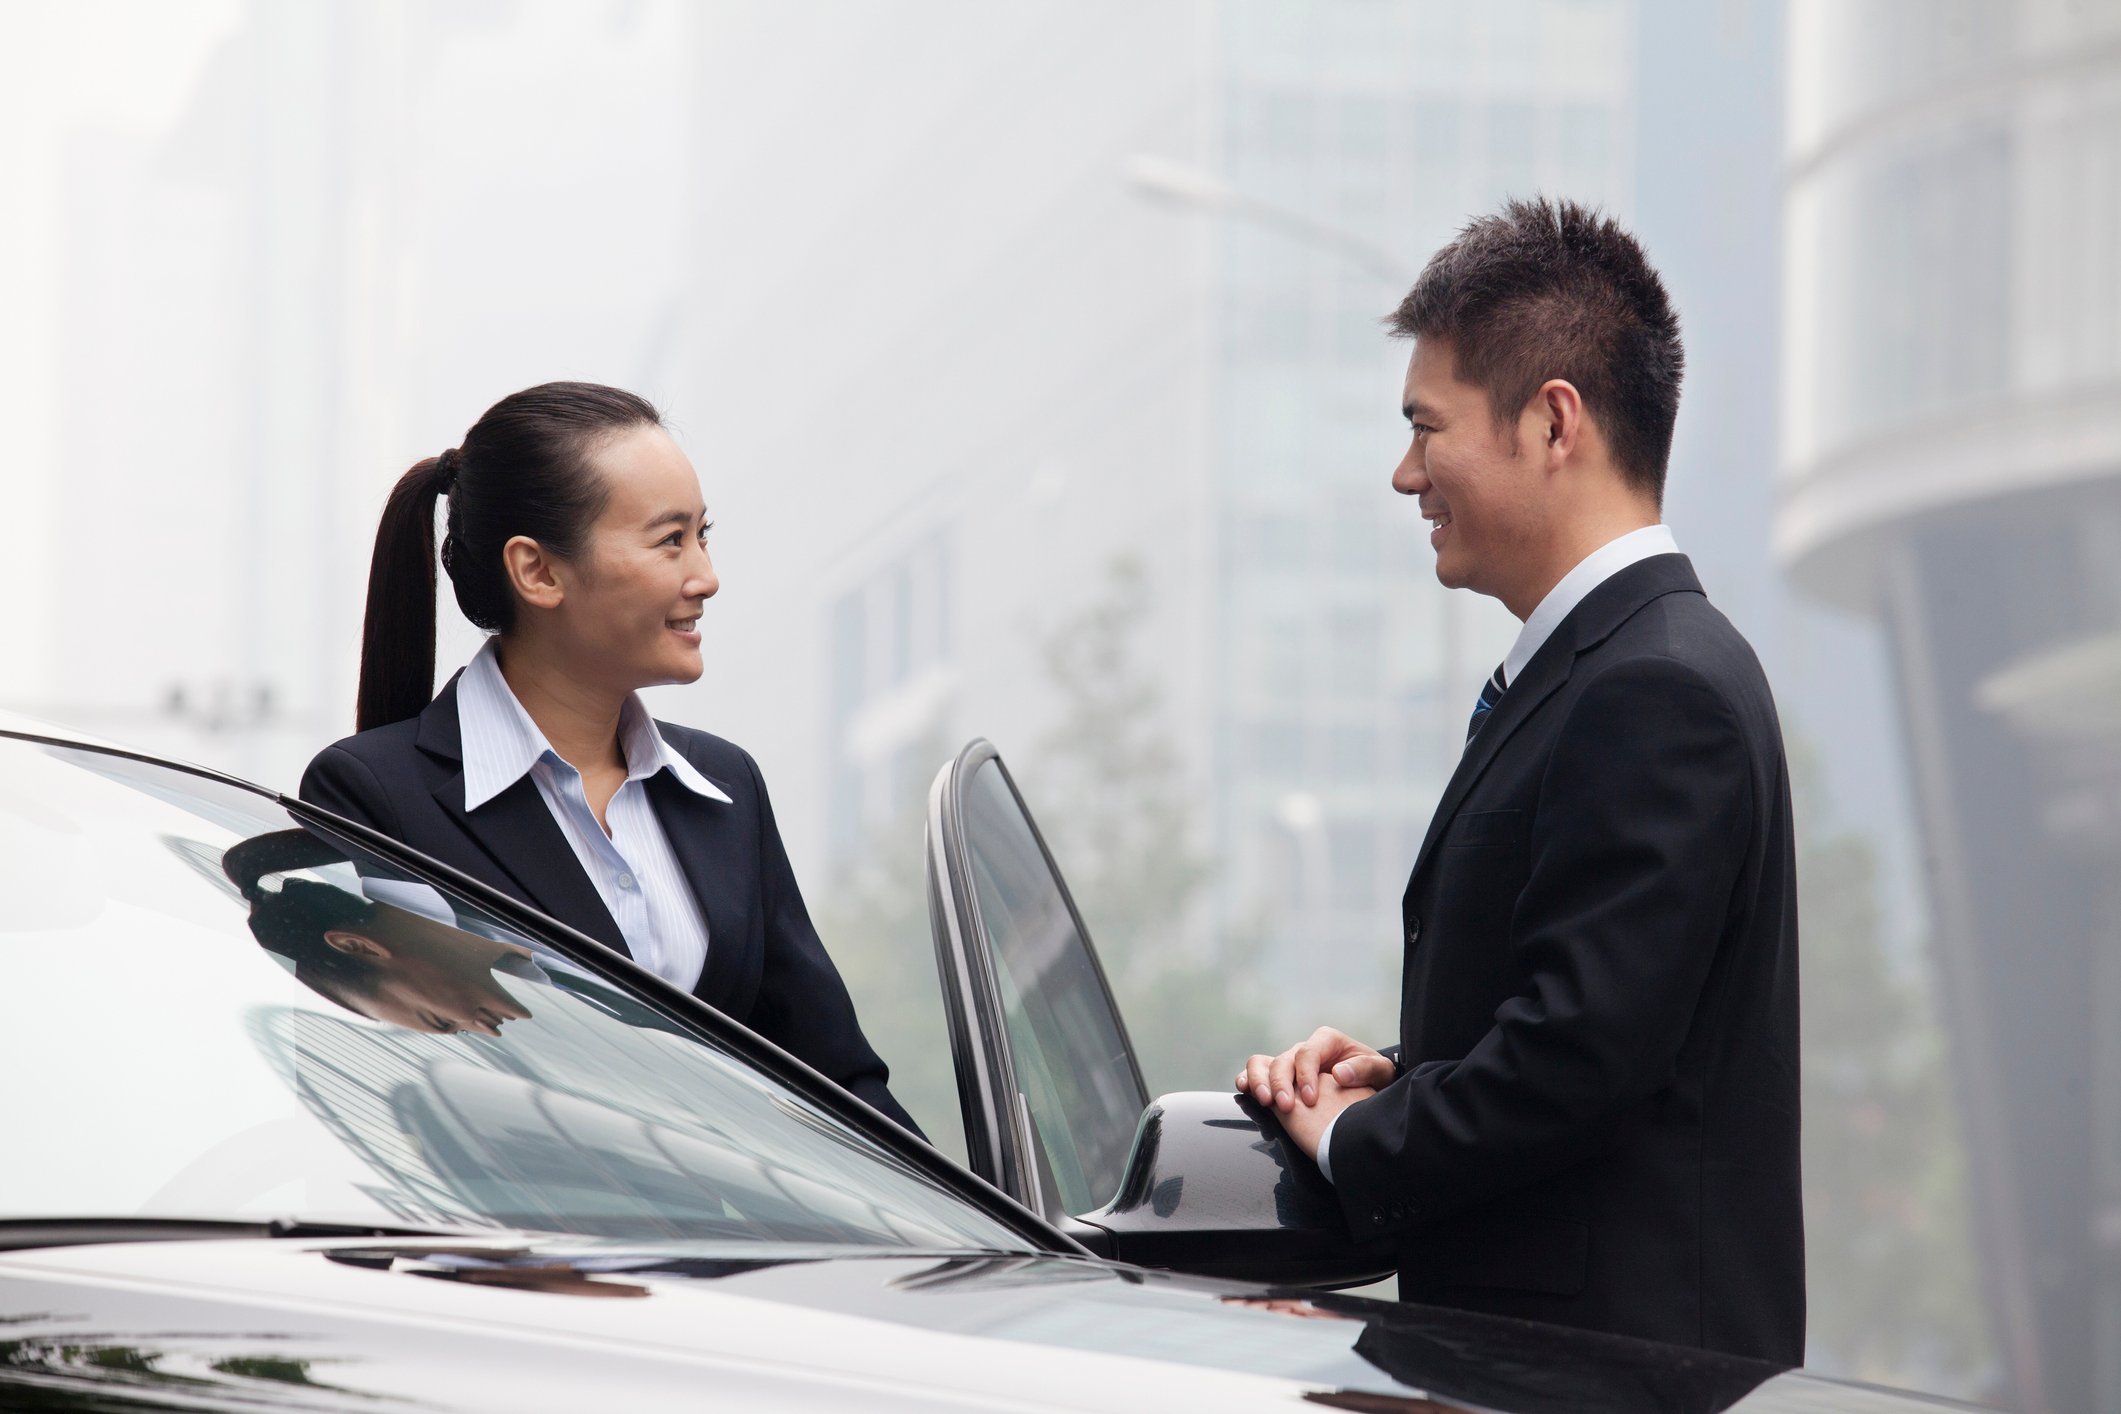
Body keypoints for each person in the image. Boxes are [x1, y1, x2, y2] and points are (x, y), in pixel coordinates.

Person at [1237, 199, 1803, 1362]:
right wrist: (1401, 1075)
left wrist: (1349, 1139)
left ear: (1554, 423)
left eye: (1425, 427)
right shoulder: (1615, 670)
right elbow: (1593, 1020)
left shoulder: (1655, 689)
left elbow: (1579, 1060)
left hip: (1599, 1377)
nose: (1405, 476)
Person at [301, 381, 918, 1134]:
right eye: (669, 540)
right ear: (538, 572)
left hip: (738, 1251)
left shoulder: (724, 788)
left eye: (702, 535)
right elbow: (376, 1098)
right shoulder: (372, 796)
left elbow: (838, 1086)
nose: (706, 577)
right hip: (510, 1247)